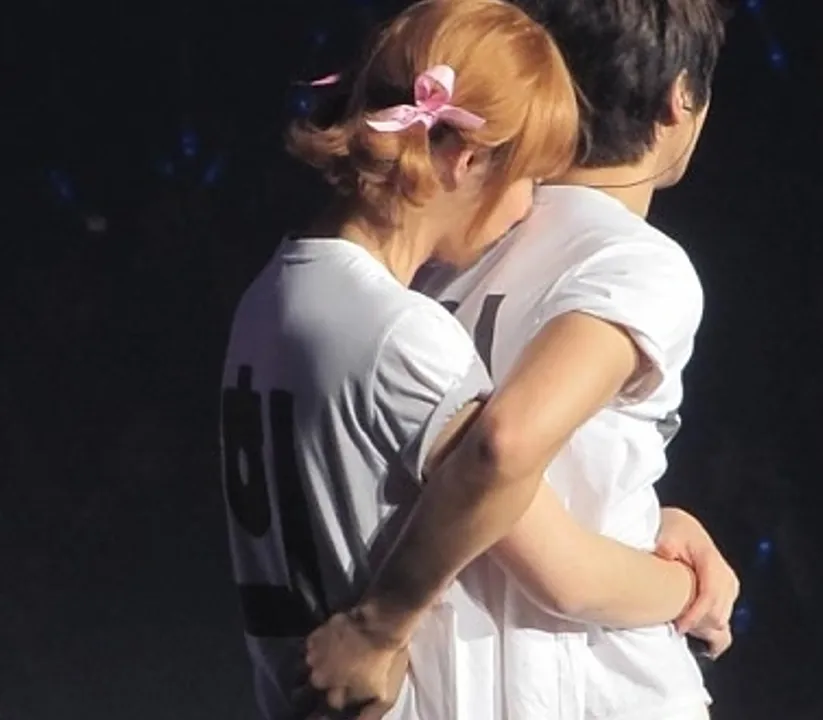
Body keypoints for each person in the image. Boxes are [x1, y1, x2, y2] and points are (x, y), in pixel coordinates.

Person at [221, 1, 728, 719]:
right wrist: (690, 587)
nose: (526, 206)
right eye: (526, 178)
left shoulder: (282, 295)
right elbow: (502, 461)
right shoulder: (404, 325)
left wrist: (654, 524)